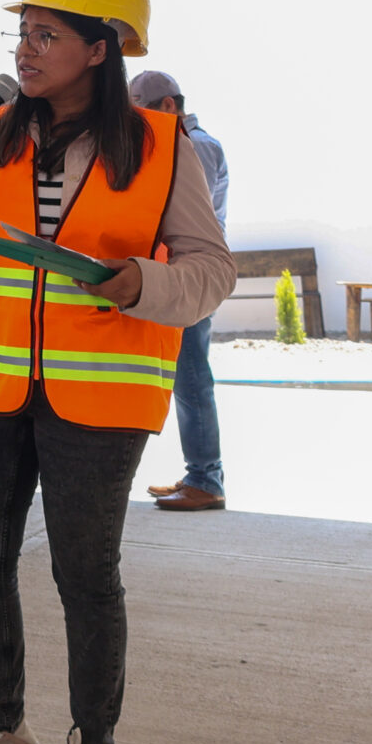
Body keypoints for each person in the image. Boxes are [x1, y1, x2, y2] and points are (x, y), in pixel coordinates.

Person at [0, 0, 234, 744]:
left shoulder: (161, 147)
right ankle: (1, 724)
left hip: (99, 394)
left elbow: (212, 270)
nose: (25, 49)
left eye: (46, 35)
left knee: (84, 572)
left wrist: (142, 282)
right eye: (21, 33)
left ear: (100, 48)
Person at [130, 69, 230, 514]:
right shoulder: (188, 142)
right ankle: (200, 474)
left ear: (168, 106)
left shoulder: (195, 146)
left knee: (191, 379)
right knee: (185, 378)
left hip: (189, 281)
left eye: (142, 111)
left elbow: (183, 215)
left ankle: (205, 479)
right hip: (177, 278)